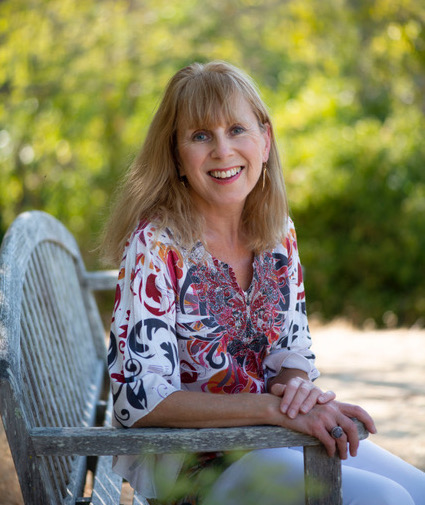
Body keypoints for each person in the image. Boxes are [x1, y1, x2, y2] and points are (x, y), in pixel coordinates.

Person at [102, 61, 425, 504]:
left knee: (418, 490)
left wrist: (296, 391)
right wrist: (274, 410)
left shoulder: (277, 233)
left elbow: (292, 350)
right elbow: (141, 400)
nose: (222, 150)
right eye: (200, 136)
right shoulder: (156, 244)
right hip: (199, 467)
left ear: (265, 140)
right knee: (384, 500)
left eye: (237, 129)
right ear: (176, 156)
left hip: (276, 437)